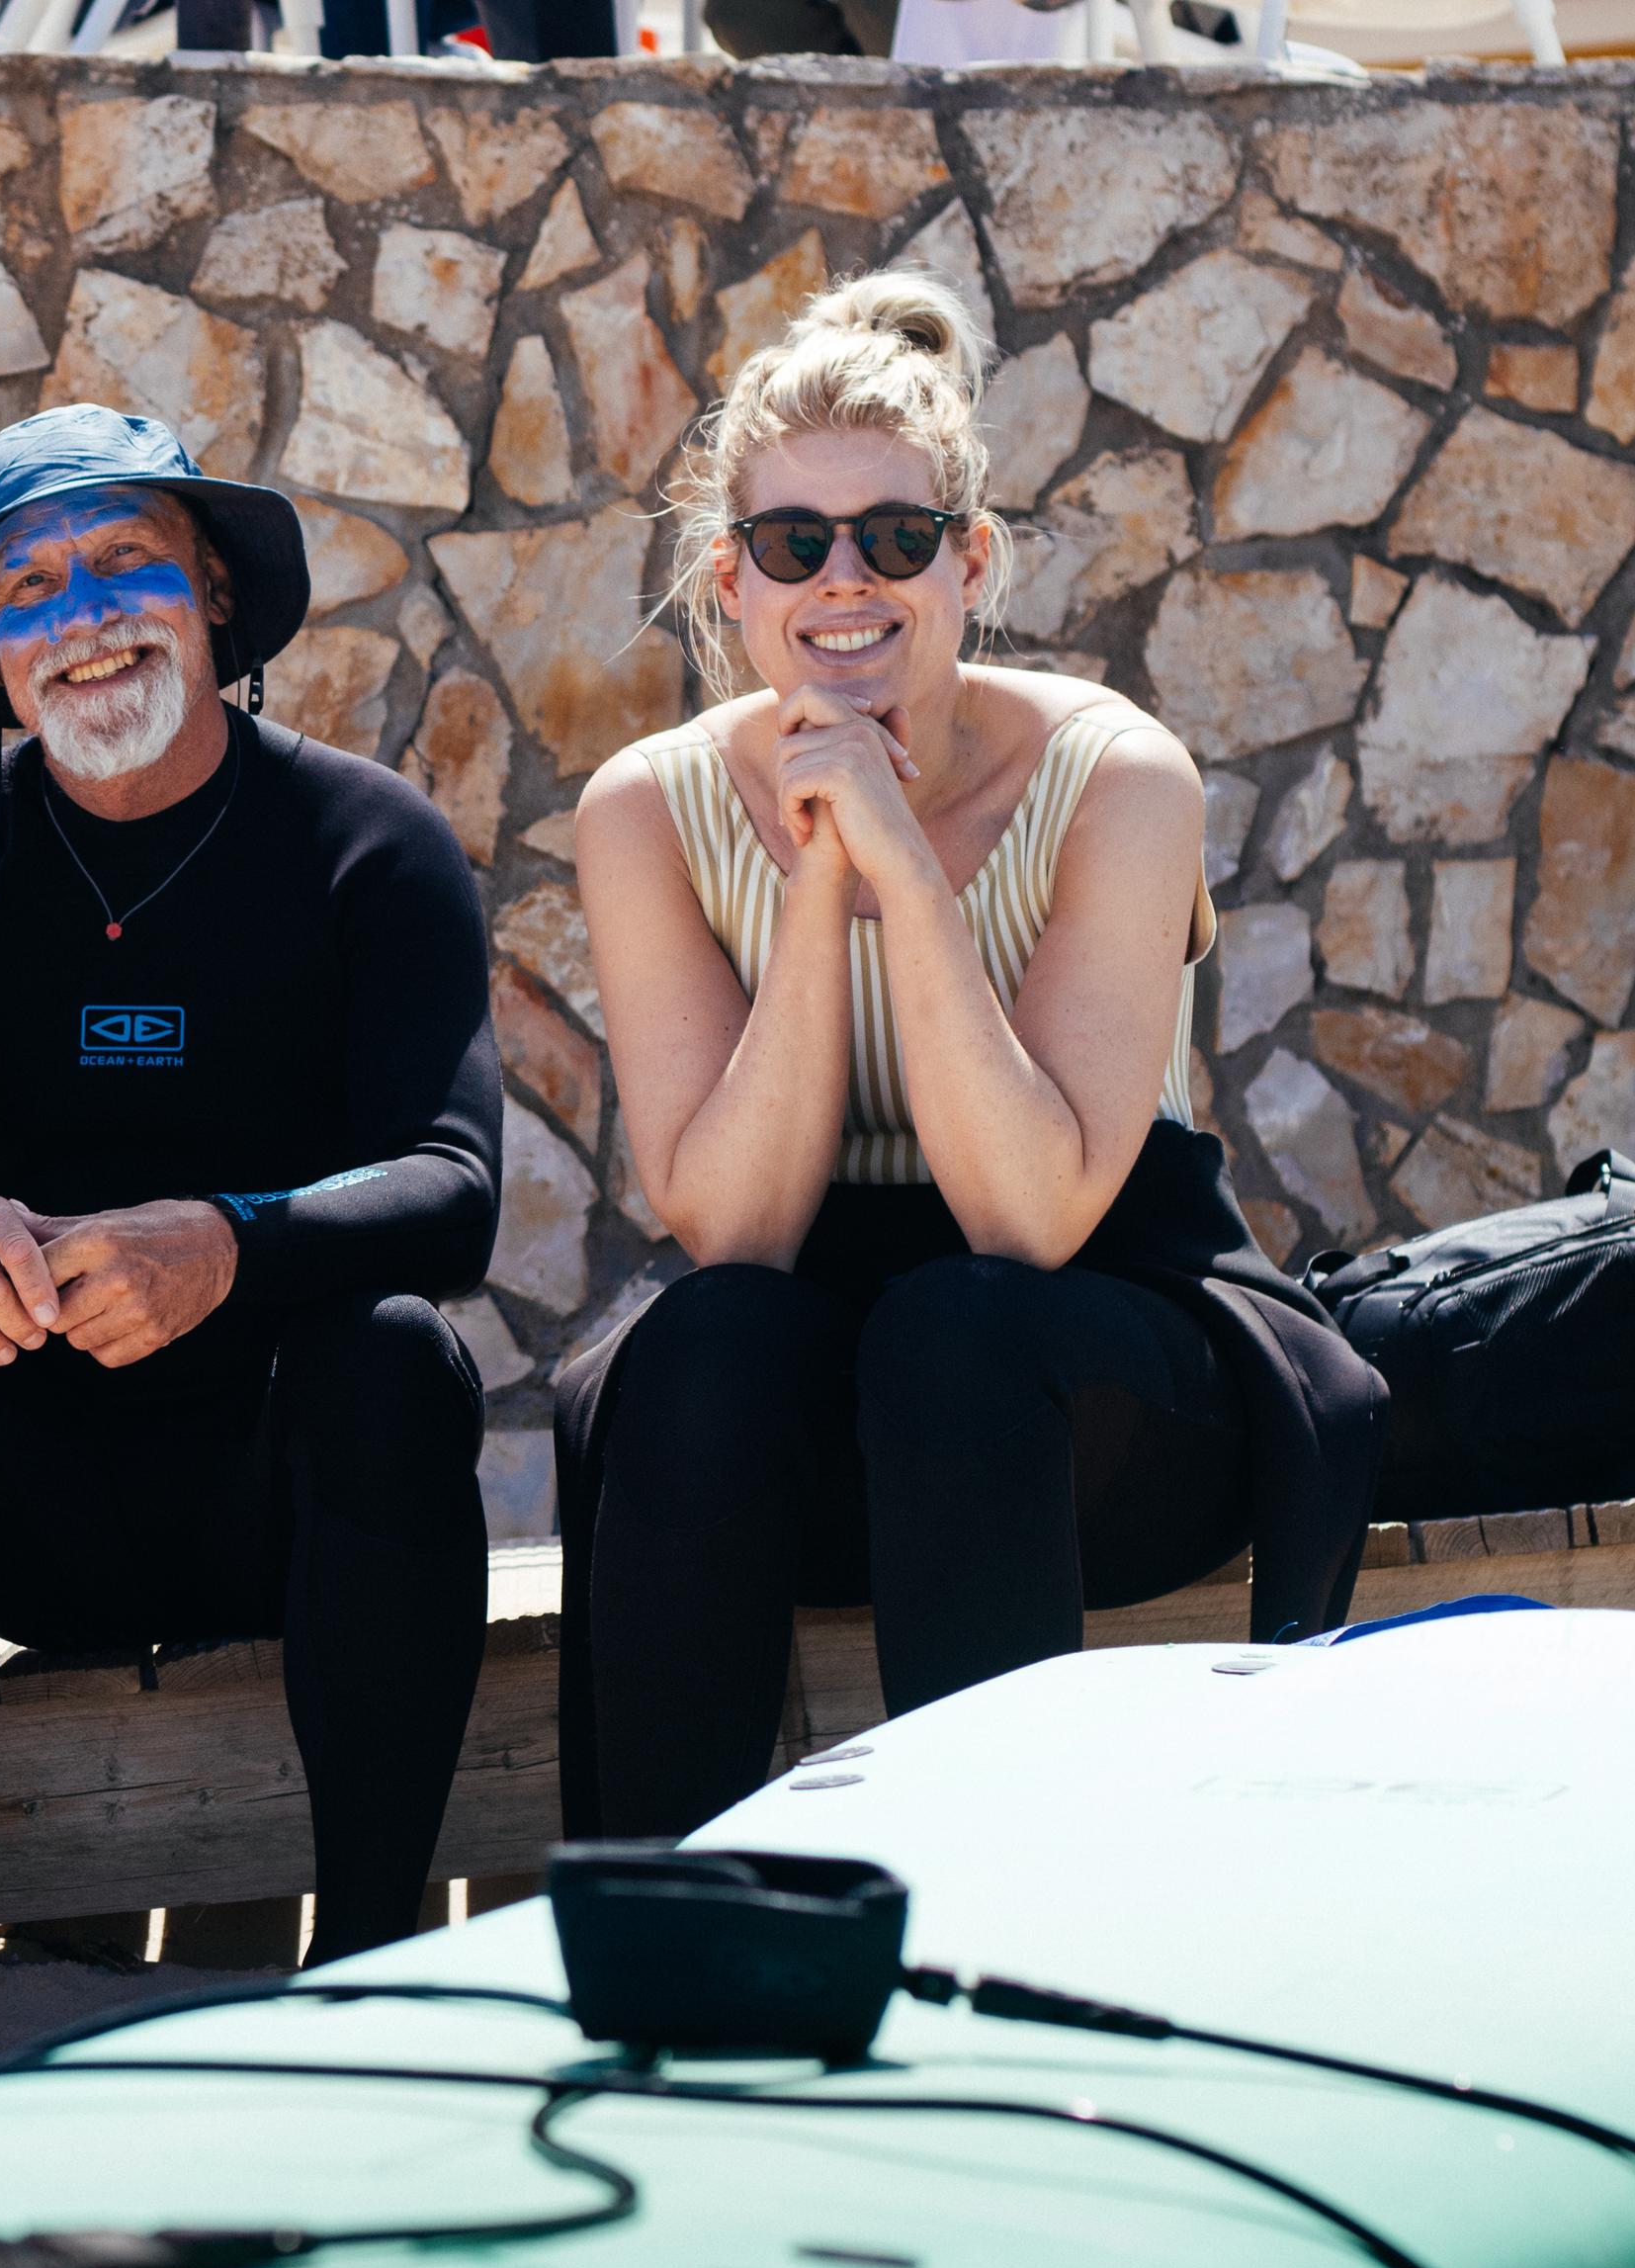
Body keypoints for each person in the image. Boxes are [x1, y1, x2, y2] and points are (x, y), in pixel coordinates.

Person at [0, 406, 504, 2095]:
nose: (86, 615)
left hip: (270, 1496)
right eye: (31, 588)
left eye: (127, 560)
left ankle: (361, 1971)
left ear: (210, 592)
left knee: (399, 1357)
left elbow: (454, 1184)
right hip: (17, 1501)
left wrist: (227, 1244)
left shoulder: (371, 844)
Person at [553, 272, 1383, 1843]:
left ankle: (992, 1913)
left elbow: (1030, 1220)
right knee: (699, 1347)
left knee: (957, 1328)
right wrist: (818, 873)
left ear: (970, 558)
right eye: (796, 543)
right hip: (824, 1375)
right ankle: (672, 1932)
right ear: (734, 583)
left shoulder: (1115, 775)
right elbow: (733, 1233)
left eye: (897, 536)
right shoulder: (649, 809)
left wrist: (903, 863)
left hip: (1103, 1362)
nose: (845, 579)